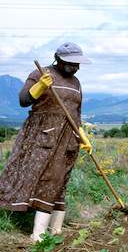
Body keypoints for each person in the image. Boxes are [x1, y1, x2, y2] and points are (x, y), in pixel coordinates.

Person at [0, 42, 92, 241]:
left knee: (60, 181)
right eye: (71, 63)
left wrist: (83, 137)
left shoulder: (76, 83)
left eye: (78, 64)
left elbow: (76, 113)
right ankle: (38, 234)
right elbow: (23, 100)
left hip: (69, 140)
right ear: (58, 59)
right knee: (45, 179)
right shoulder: (39, 73)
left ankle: (56, 230)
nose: (76, 67)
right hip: (42, 136)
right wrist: (40, 85)